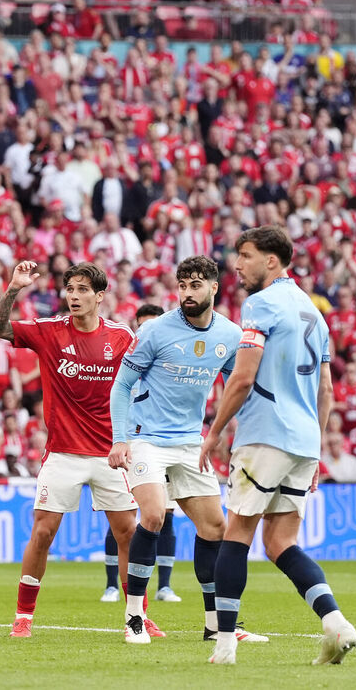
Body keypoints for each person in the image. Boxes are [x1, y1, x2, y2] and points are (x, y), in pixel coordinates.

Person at [199, 226, 356, 665]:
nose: (237, 265)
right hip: (304, 440)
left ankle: (226, 646)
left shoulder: (261, 304)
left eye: (245, 256)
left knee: (238, 533)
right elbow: (326, 388)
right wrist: (317, 446)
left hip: (264, 433)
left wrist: (214, 432)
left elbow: (243, 377)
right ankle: (335, 622)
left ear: (272, 260)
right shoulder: (313, 311)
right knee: (281, 543)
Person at [0, 261, 161, 640]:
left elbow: (138, 385)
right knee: (43, 533)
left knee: (128, 533)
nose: (74, 296)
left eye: (83, 290)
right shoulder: (49, 330)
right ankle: (23, 616)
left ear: (100, 296)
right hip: (63, 452)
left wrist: (130, 437)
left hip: (110, 453)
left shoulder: (121, 337)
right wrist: (14, 288)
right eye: (70, 289)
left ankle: (138, 615)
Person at [109, 257, 268, 645]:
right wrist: (119, 438)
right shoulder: (157, 331)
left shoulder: (231, 335)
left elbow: (239, 387)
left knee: (215, 528)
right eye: (182, 285)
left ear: (214, 288)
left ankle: (215, 624)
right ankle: (134, 618)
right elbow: (121, 385)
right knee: (152, 516)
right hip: (146, 437)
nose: (187, 293)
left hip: (189, 443)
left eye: (196, 285)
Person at [102, 303, 170, 604]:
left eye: (154, 326)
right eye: (143, 326)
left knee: (163, 513)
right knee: (122, 516)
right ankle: (112, 585)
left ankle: (164, 586)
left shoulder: (169, 367)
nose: (148, 332)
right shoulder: (127, 362)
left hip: (163, 444)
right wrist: (119, 438)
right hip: (128, 443)